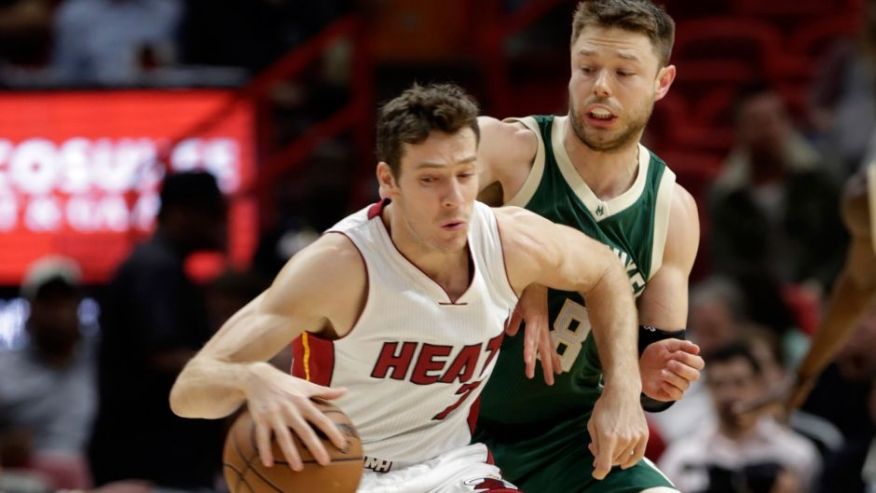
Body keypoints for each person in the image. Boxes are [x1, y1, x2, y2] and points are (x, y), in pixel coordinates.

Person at [169, 83, 649, 492]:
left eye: (465, 175)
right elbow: (190, 390)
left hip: (447, 471)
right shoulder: (338, 267)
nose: (454, 198)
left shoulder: (510, 241)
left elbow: (605, 271)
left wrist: (623, 391)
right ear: (388, 180)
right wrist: (250, 379)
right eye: (430, 180)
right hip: (340, 476)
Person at [472, 1, 702, 491]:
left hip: (569, 438)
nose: (601, 85)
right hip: (452, 425)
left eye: (624, 72)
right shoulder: (505, 150)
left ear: (662, 82)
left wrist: (657, 379)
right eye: (588, 67)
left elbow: (649, 366)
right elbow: (406, 204)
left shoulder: (672, 210)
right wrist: (521, 253)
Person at [88, 171, 227, 489]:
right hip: (146, 457)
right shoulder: (155, 268)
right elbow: (164, 355)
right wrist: (241, 376)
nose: (222, 224)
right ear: (181, 212)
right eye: (214, 213)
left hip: (153, 453)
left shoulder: (162, 264)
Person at [658, 342, 820, 493]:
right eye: (719, 384)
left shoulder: (796, 454)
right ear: (708, 389)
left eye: (739, 383)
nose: (729, 394)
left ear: (759, 385)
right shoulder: (683, 456)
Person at [0, 257, 95, 490]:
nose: (57, 313)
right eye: (47, 302)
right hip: (21, 480)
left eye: (64, 301)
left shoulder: (100, 362)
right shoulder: (4, 368)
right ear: (29, 312)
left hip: (88, 478)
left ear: (78, 309)